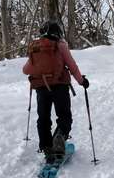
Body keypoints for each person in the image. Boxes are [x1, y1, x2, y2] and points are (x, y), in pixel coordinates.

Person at [23, 20, 89, 163]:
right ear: (58, 32)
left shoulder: (36, 47)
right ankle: (59, 137)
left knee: (43, 118)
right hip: (60, 86)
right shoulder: (61, 45)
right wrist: (82, 81)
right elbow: (72, 66)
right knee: (64, 116)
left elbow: (26, 70)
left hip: (41, 88)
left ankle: (47, 147)